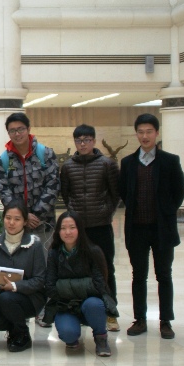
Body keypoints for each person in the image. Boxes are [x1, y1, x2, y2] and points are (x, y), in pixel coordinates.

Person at [119, 113, 184, 339]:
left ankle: (165, 321)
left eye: (149, 131)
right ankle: (140, 319)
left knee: (164, 275)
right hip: (137, 229)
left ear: (156, 133)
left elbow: (179, 190)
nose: (144, 136)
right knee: (139, 276)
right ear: (136, 134)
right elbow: (124, 191)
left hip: (162, 229)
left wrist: (167, 211)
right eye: (140, 132)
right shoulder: (128, 163)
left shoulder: (169, 161)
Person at [60, 123, 120, 331]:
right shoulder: (68, 166)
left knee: (106, 268)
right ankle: (83, 311)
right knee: (80, 269)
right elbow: (66, 194)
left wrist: (105, 212)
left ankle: (111, 313)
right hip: (78, 229)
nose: (83, 144)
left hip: (101, 225)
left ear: (94, 141)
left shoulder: (107, 164)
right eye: (79, 140)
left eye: (86, 140)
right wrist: (74, 212)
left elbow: (115, 194)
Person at [43, 211, 117, 357]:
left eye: (72, 227)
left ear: (80, 229)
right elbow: (50, 288)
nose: (67, 232)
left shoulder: (93, 251)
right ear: (58, 231)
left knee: (94, 305)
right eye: (63, 228)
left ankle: (101, 338)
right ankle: (72, 334)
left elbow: (99, 286)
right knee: (68, 335)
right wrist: (83, 285)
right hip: (65, 304)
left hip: (89, 302)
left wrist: (64, 285)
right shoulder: (54, 253)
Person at [0, 201, 47, 352]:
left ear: (25, 222)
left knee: (7, 298)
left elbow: (40, 280)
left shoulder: (34, 245)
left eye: (17, 219)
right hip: (2, 297)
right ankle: (14, 328)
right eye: (8, 218)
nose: (11, 223)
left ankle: (22, 334)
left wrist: (16, 286)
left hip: (30, 298)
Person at [0, 113, 59, 239]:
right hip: (15, 226)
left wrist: (36, 215)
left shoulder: (45, 154)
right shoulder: (3, 160)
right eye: (12, 131)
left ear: (28, 129)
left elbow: (53, 185)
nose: (17, 134)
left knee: (43, 252)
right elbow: (3, 191)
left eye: (21, 129)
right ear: (8, 133)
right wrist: (23, 216)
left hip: (44, 224)